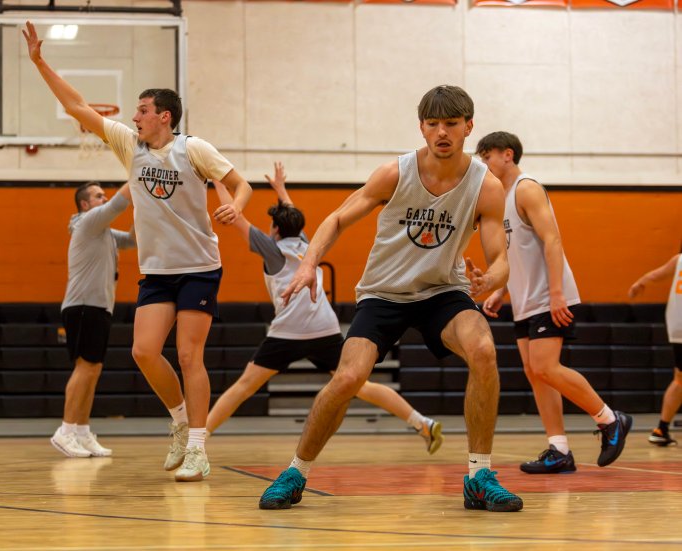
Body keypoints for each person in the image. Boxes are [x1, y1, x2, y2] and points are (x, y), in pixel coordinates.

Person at [259, 85, 523, 513]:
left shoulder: (486, 186)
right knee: (347, 379)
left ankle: (479, 475)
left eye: (451, 124)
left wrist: (490, 278)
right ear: (421, 127)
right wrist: (308, 264)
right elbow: (338, 217)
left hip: (444, 290)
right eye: (433, 123)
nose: (442, 132)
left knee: (484, 350)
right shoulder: (395, 173)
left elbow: (500, 261)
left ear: (468, 127)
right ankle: (295, 471)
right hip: (384, 291)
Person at [24, 22, 252, 481]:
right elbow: (76, 106)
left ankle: (198, 448)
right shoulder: (131, 149)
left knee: (190, 356)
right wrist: (39, 62)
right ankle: (181, 420)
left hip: (199, 267)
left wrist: (236, 207)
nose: (136, 117)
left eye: (143, 111)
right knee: (144, 352)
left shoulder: (194, 150)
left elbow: (239, 184)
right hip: (157, 271)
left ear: (165, 116)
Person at [207, 162, 443, 453]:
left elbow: (236, 217)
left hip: (289, 333)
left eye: (273, 225)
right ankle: (422, 423)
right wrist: (281, 190)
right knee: (362, 386)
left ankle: (199, 439)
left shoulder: (272, 248)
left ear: (276, 229)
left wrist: (217, 182)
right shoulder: (308, 245)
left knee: (244, 386)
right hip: (324, 328)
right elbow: (294, 219)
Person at [476, 131, 633, 474]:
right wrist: (501, 291)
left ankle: (610, 419)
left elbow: (552, 240)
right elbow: (516, 254)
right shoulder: (497, 198)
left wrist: (558, 293)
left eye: (486, 156)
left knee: (547, 367)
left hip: (549, 296)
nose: (483, 163)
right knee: (536, 375)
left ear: (507, 154)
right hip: (523, 299)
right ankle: (559, 449)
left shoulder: (527, 188)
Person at [52, 181, 135, 458]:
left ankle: (81, 431)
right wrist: (141, 170)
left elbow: (135, 239)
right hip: (83, 306)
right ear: (85, 205)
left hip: (99, 307)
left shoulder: (106, 233)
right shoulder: (88, 222)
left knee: (93, 370)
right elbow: (119, 203)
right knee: (85, 368)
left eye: (104, 194)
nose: (105, 198)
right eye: (99, 196)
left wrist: (146, 207)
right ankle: (65, 431)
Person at [628, 251, 682, 446]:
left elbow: (655, 275)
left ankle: (661, 429)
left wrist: (639, 283)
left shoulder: (679, 259)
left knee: (679, 379)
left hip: (677, 328)